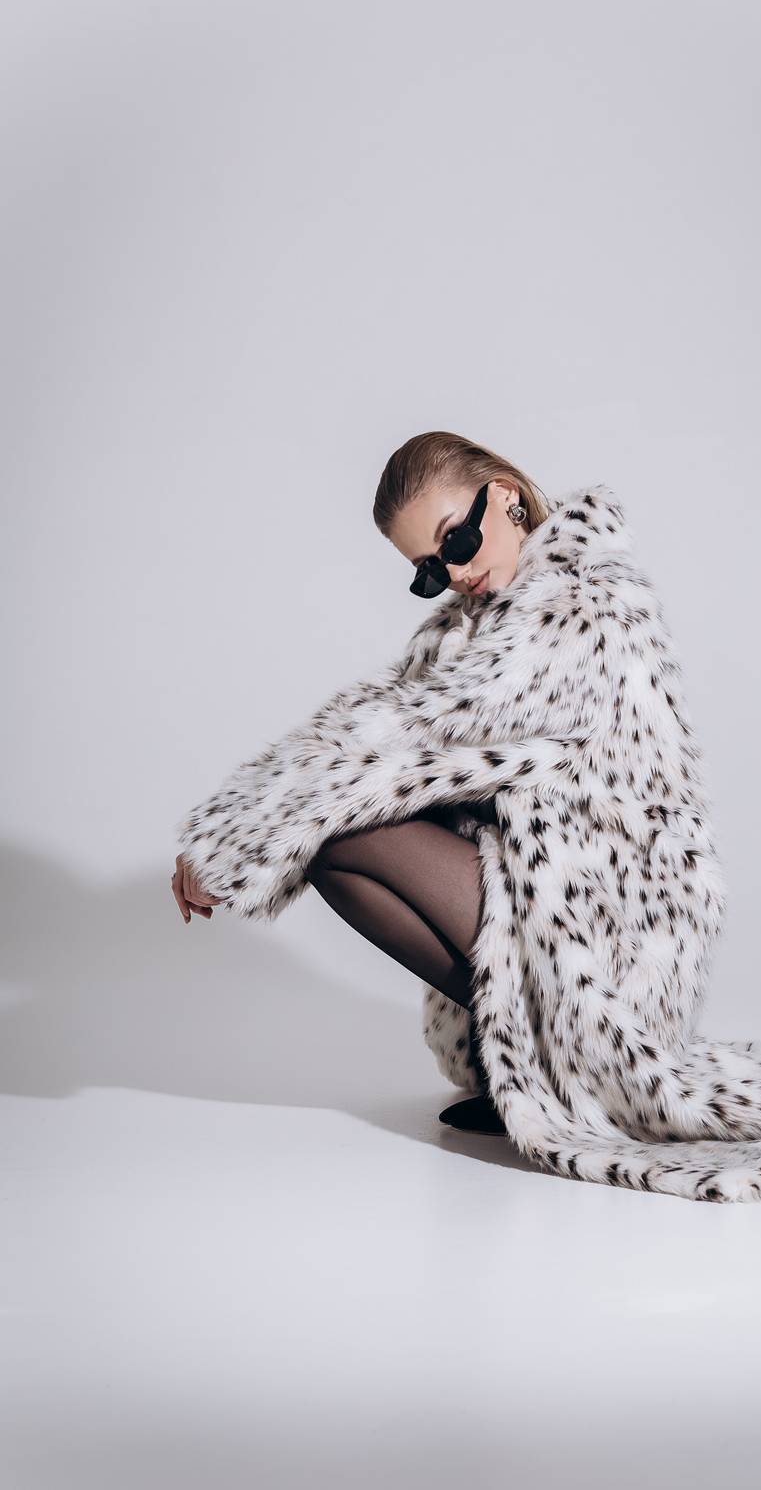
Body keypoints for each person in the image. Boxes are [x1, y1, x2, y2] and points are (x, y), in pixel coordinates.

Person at [172, 432, 554, 1135]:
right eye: (429, 568)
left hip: (592, 928)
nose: (454, 571)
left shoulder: (580, 610)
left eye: (456, 539)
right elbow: (372, 736)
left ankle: (565, 1051)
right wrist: (236, 833)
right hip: (532, 900)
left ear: (503, 494)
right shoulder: (465, 632)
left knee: (340, 825)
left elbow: (403, 747)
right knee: (328, 838)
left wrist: (237, 840)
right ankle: (534, 1055)